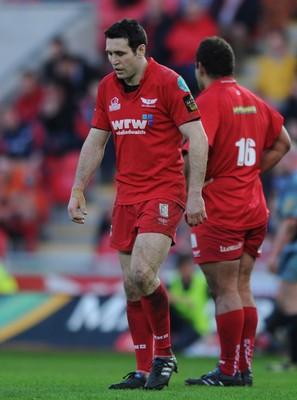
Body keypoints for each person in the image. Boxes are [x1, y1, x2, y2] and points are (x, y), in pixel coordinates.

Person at [67, 18, 208, 390]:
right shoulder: (106, 88)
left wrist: (195, 193)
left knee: (144, 273)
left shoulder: (168, 82)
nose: (113, 60)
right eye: (109, 53)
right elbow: (96, 142)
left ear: (141, 50)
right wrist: (77, 188)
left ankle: (165, 355)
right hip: (125, 195)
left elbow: (198, 137)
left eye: (120, 53)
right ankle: (144, 367)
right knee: (131, 286)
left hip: (164, 190)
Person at [183, 36, 291, 387]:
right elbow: (283, 142)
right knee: (242, 287)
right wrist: (251, 172)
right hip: (254, 207)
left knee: (225, 289)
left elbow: (191, 153)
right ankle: (242, 367)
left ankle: (229, 369)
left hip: (222, 209)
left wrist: (192, 189)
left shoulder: (208, 102)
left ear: (201, 68)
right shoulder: (252, 99)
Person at [264, 144, 297, 372]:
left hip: (294, 252)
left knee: (289, 305)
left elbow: (289, 223)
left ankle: (294, 360)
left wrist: (274, 254)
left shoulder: (294, 181)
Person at [168, 253, 210, 352]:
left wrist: (176, 298)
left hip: (195, 325)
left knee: (178, 347)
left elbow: (191, 303)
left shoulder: (202, 283)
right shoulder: (174, 282)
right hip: (181, 320)